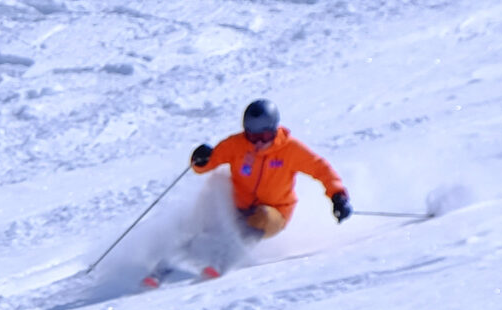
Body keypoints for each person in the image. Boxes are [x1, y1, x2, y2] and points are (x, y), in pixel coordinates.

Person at [143, 99, 350, 287]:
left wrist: (338, 195)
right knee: (209, 212)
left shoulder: (290, 150)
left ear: (274, 130)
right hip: (238, 206)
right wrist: (200, 159)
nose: (258, 142)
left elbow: (321, 169)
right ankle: (162, 269)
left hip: (275, 212)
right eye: (252, 136)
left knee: (262, 217)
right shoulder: (236, 145)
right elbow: (207, 165)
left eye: (265, 136)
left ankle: (223, 261)